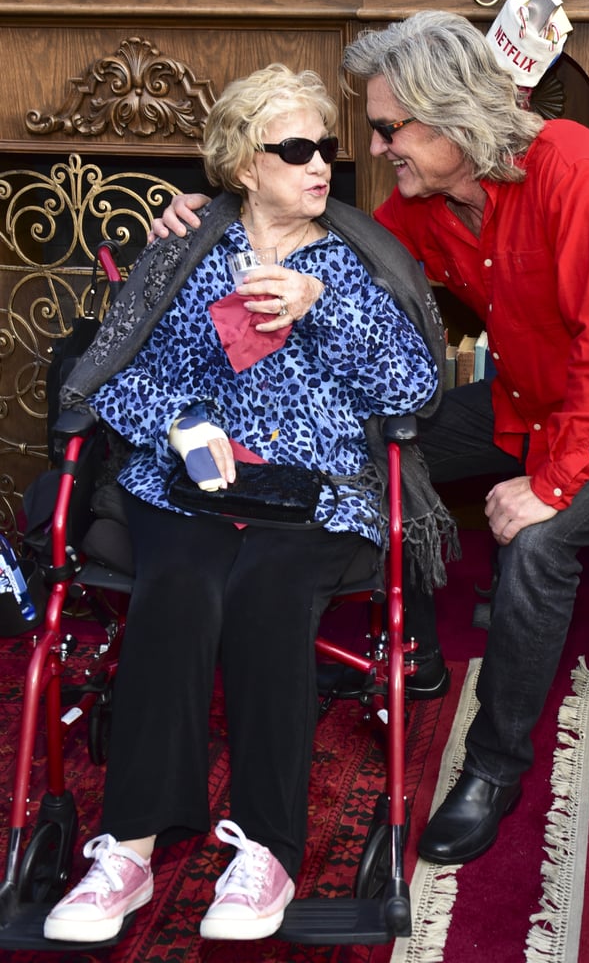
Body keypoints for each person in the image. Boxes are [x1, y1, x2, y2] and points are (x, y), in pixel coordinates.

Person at [149, 10, 589, 869]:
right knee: (384, 447)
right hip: (528, 399)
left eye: (388, 128)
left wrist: (551, 487)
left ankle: (492, 769)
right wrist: (213, 216)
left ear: (450, 116)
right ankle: (408, 645)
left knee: (538, 547)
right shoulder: (426, 202)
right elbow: (329, 235)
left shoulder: (575, 168)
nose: (378, 148)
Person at [43, 62, 453, 944]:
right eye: (296, 149)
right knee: (177, 592)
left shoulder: (355, 260)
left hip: (314, 490)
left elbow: (414, 390)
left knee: (267, 603)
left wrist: (322, 308)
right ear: (241, 161)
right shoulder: (186, 249)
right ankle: (128, 847)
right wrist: (183, 421)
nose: (320, 167)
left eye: (328, 151)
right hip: (191, 485)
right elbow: (118, 376)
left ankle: (266, 850)